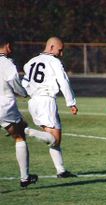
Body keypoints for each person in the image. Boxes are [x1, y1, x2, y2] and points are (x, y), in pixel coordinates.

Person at [0, 34, 56, 187]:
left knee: (17, 130)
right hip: (4, 107)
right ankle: (25, 178)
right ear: (8, 46)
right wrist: (24, 92)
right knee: (19, 136)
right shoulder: (6, 63)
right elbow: (13, 82)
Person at [22, 37, 78, 178]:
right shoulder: (54, 62)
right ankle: (26, 130)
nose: (61, 54)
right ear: (52, 47)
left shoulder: (30, 62)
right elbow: (63, 82)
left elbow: (24, 83)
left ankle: (61, 171)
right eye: (60, 50)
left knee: (52, 139)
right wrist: (71, 102)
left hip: (33, 102)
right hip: (46, 101)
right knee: (55, 140)